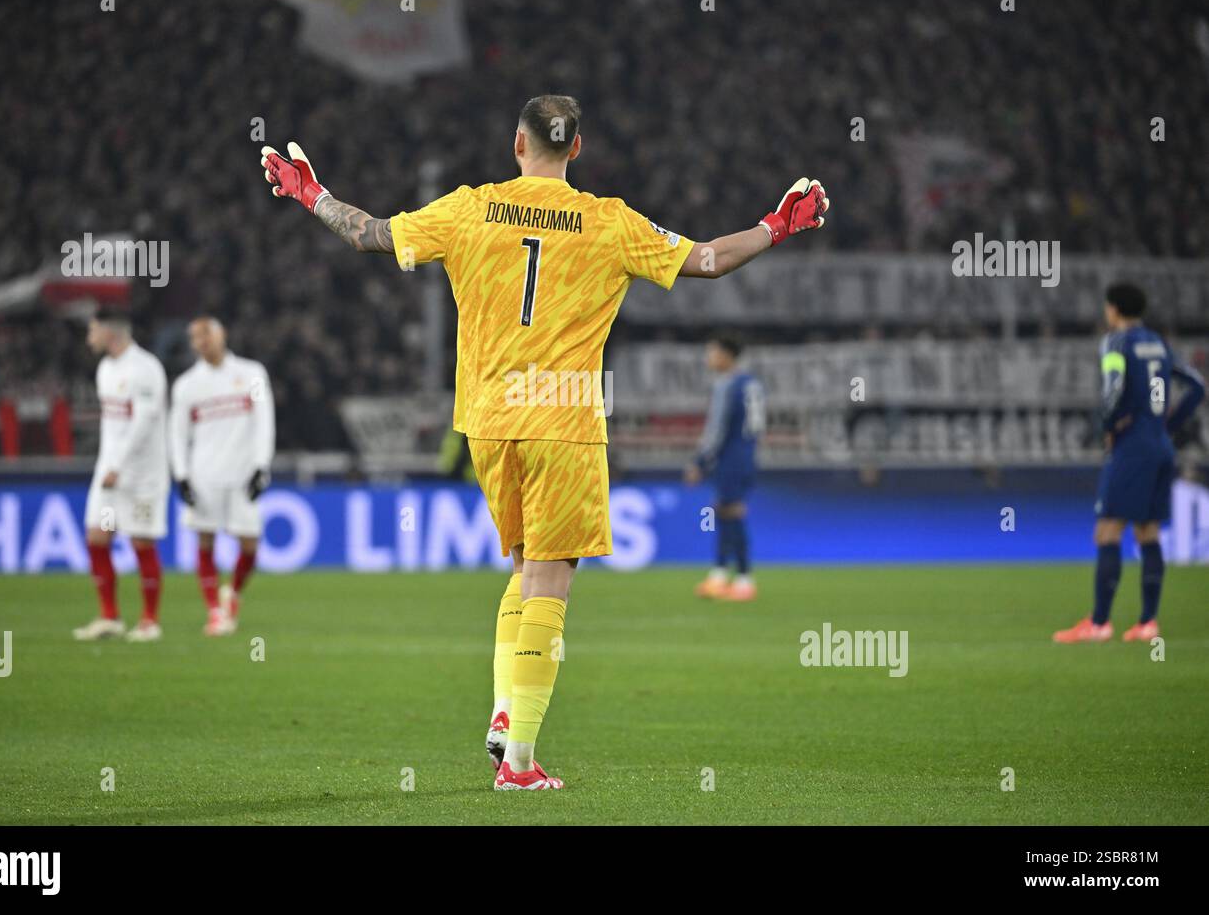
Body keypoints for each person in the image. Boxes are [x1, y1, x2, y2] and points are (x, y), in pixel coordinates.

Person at [260, 94, 829, 789]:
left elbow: (370, 233)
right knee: (552, 584)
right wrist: (777, 224)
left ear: (517, 144)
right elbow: (708, 261)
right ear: (578, 149)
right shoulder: (609, 221)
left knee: (526, 568)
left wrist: (309, 191)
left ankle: (506, 717)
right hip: (563, 420)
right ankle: (521, 763)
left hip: (489, 420)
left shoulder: (470, 207)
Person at [1053, 283, 1204, 644]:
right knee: (1148, 533)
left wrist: (1106, 427)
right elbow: (1197, 386)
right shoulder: (1158, 343)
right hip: (1161, 447)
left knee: (1107, 531)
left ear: (1114, 309)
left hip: (1132, 448)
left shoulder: (1115, 343)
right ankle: (1148, 622)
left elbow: (1114, 388)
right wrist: (1167, 423)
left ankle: (1100, 623)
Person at [169, 317, 275, 636]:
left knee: (251, 546)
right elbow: (176, 433)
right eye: (195, 338)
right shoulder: (187, 385)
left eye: (206, 335)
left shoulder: (252, 373)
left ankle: (233, 594)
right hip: (205, 474)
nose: (202, 342)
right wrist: (182, 475)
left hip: (243, 473)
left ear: (221, 334)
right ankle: (215, 611)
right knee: (205, 539)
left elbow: (264, 419)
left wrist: (261, 466)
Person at [74, 313, 170, 642]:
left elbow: (143, 423)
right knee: (97, 538)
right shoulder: (105, 369)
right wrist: (108, 465)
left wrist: (120, 465)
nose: (89, 335)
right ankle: (110, 617)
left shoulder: (145, 368)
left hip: (142, 475)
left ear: (109, 330)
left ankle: (149, 621)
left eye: (93, 329)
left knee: (141, 542)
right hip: (109, 474)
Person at [686, 335, 765, 601]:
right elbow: (758, 425)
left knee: (732, 512)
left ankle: (743, 579)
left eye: (712, 352)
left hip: (730, 455)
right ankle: (720, 575)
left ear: (727, 355)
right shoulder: (751, 383)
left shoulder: (727, 385)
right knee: (724, 510)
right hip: (747, 453)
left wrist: (699, 461)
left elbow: (716, 429)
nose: (708, 358)